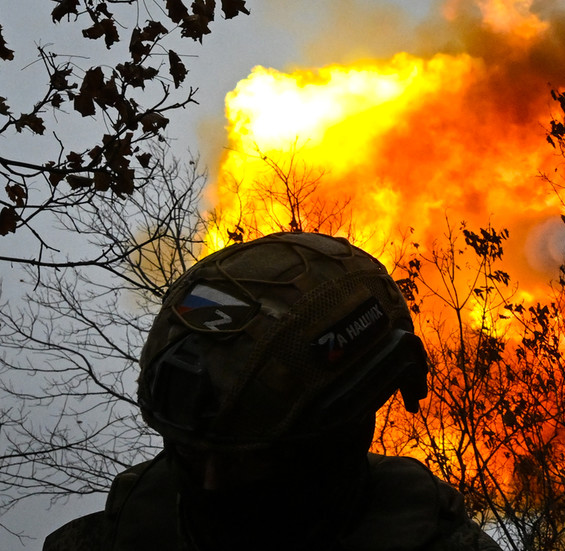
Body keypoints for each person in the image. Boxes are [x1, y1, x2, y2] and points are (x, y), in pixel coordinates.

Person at [44, 232, 502, 551]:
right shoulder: (103, 541)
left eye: (251, 460)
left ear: (347, 431)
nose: (211, 484)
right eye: (188, 452)